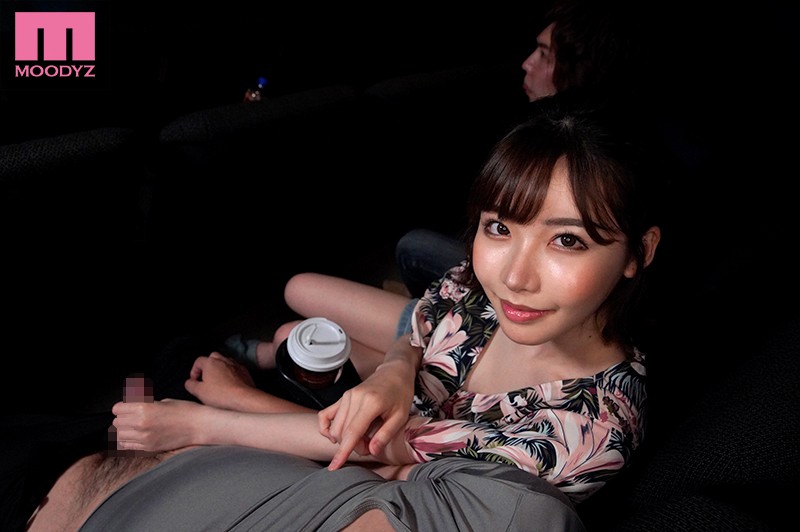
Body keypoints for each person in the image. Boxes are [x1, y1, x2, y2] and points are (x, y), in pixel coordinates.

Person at [111, 91, 666, 509]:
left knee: (174, 377)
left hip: (359, 474)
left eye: (567, 240)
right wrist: (395, 372)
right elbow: (421, 330)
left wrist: (217, 413)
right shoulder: (485, 285)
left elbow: (373, 460)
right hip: (376, 420)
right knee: (258, 337)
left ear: (639, 251)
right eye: (499, 228)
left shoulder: (584, 433)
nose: (515, 277)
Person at [7, 377, 583, 531]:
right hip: (185, 433)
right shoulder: (515, 516)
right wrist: (218, 413)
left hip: (47, 491)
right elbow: (387, 455)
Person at [396, 0, 646, 299]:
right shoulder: (530, 128)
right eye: (499, 227)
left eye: (545, 54)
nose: (527, 63)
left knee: (413, 247)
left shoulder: (609, 159)